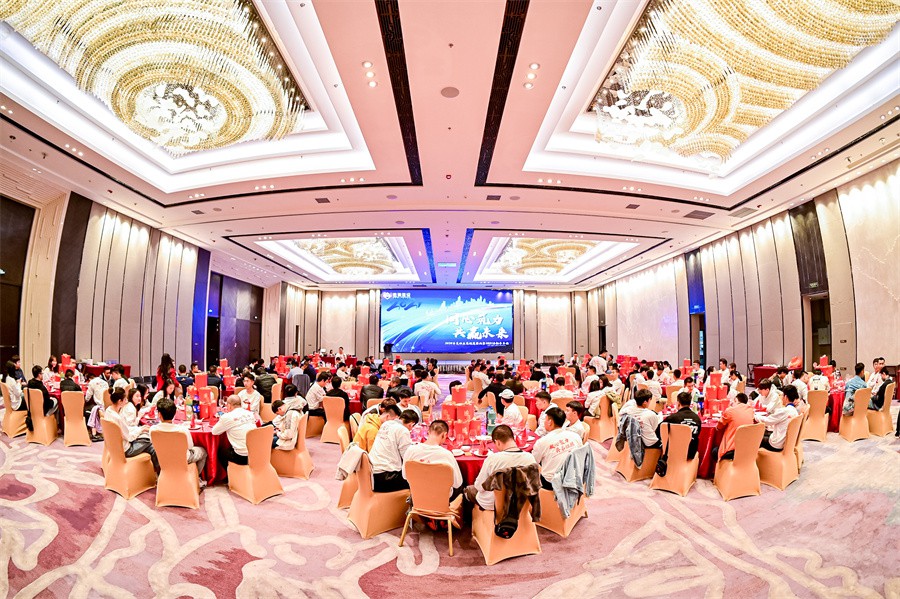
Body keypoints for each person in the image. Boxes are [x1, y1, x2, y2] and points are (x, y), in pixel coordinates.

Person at [464, 425, 537, 511]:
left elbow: (479, 486)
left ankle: (470, 519)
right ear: (513, 438)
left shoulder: (492, 459)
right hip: (520, 502)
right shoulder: (530, 457)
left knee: (468, 490)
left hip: (493, 504)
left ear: (497, 442)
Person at [151, 396, 207, 487]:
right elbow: (190, 447)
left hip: (163, 459)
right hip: (183, 459)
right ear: (175, 413)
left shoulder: (153, 430)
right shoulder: (182, 430)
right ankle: (196, 478)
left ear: (159, 414)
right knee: (203, 451)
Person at [402, 419, 464, 499]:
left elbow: (405, 476)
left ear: (428, 432)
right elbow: (457, 483)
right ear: (444, 435)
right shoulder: (447, 455)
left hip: (418, 496)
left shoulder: (411, 450)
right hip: (441, 498)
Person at [103, 387, 158, 470]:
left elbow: (125, 431)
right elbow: (129, 437)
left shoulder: (108, 411)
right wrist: (141, 430)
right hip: (126, 450)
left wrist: (140, 429)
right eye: (125, 399)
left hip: (115, 447)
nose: (126, 401)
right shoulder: (118, 418)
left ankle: (154, 471)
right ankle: (159, 471)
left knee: (150, 446)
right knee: (150, 441)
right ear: (120, 401)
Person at [369, 408, 419, 492]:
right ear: (411, 424)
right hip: (385, 478)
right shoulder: (403, 430)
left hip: (371, 473)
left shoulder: (386, 424)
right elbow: (406, 457)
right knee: (417, 480)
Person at [532, 407, 583, 490]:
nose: (544, 422)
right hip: (574, 479)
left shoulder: (542, 441)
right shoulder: (575, 436)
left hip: (552, 484)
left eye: (545, 419)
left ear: (550, 422)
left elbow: (533, 462)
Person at [211, 395, 257, 468]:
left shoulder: (227, 417)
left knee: (221, 452)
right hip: (255, 452)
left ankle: (231, 472)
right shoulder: (249, 413)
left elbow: (214, 432)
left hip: (242, 456)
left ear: (229, 405)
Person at [755, 386, 800, 451]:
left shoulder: (784, 411)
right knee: (765, 432)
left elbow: (767, 421)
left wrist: (755, 417)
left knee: (755, 438)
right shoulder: (795, 411)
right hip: (784, 441)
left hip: (776, 444)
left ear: (785, 397)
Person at [659, 391, 702, 459]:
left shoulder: (672, 418)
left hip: (673, 453)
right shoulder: (697, 419)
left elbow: (659, 431)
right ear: (690, 403)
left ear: (678, 403)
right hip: (691, 454)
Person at [713, 392, 755, 461]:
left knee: (714, 451)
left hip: (732, 449)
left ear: (736, 400)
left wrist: (717, 427)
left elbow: (719, 426)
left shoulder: (730, 410)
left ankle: (723, 467)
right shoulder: (751, 410)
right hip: (747, 448)